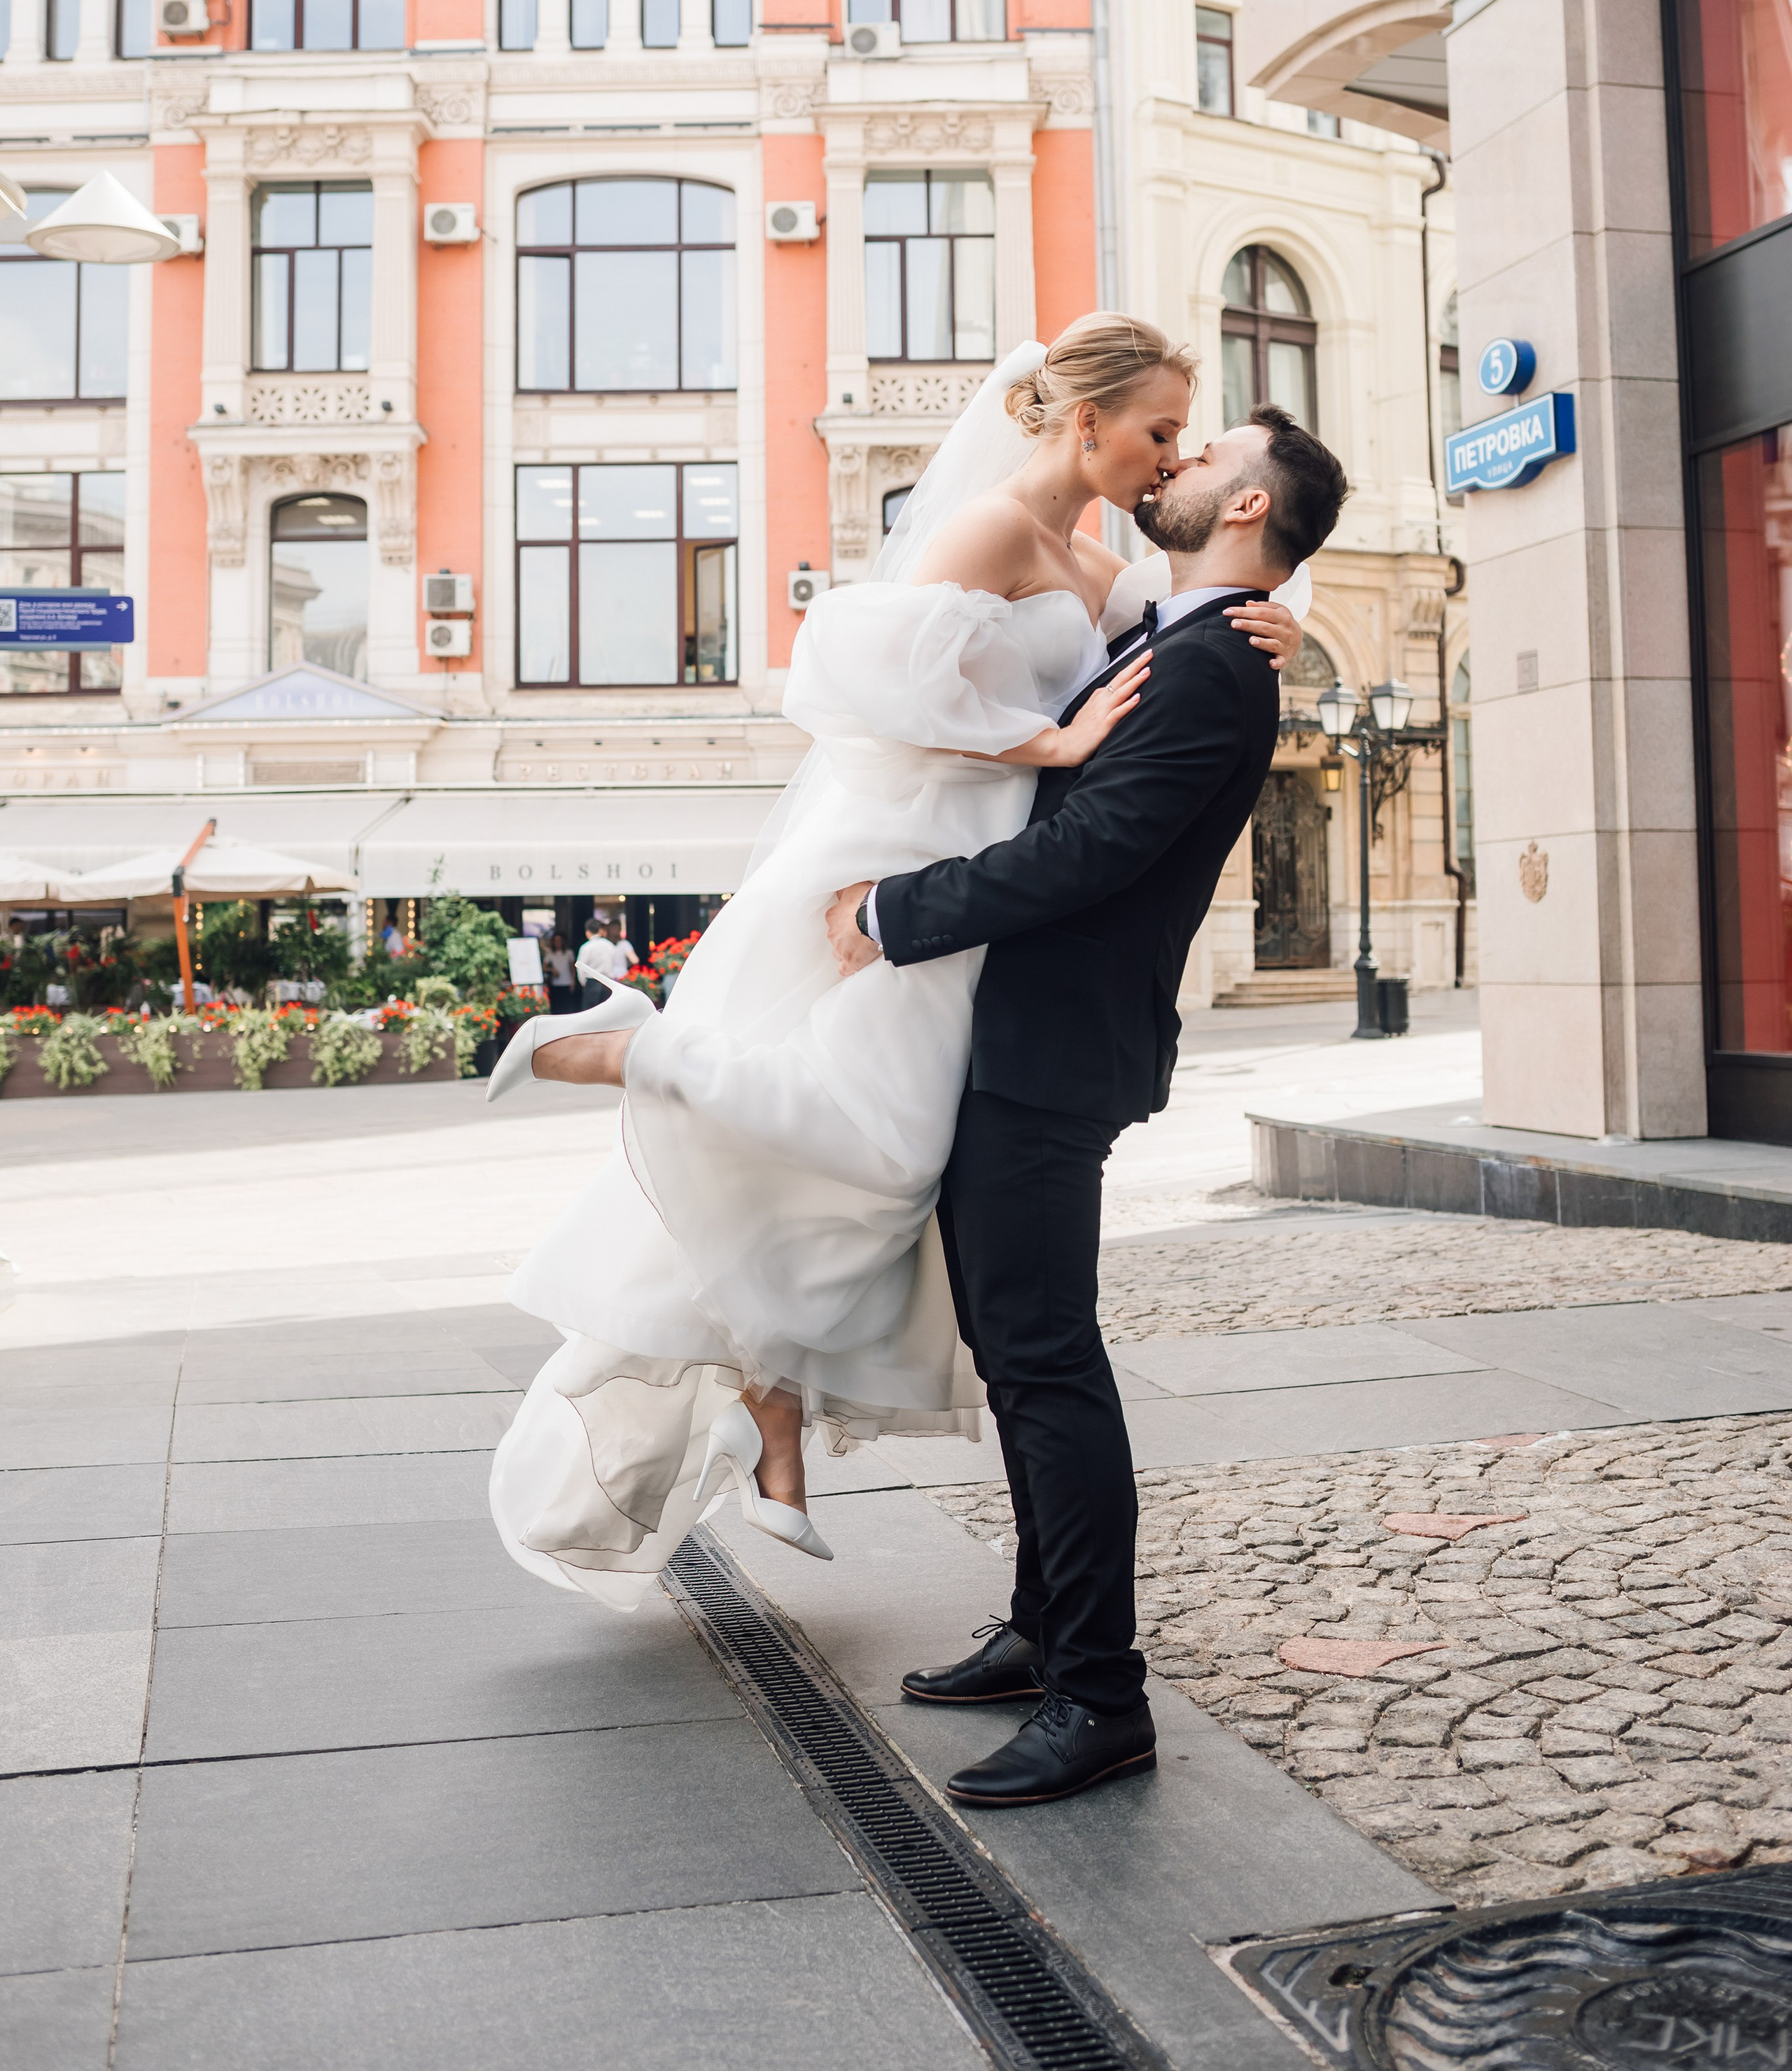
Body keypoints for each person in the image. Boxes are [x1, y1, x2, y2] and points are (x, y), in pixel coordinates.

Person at [482, 318, 1304, 1620]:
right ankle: (651, 1059)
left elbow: (1196, 632)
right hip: (908, 861)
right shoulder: (985, 528)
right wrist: (1045, 743)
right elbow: (862, 681)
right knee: (872, 1145)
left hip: (974, 904)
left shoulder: (1105, 564)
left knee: (885, 1169)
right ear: (1084, 424)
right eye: (1156, 432)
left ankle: (774, 1407)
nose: (1166, 461)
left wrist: (1276, 625)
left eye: (1184, 445)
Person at [826, 401, 1348, 1805]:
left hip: (1053, 1051)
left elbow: (1097, 853)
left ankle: (1099, 1696)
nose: (1174, 466)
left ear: (1245, 507)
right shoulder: (1179, 631)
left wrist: (891, 907)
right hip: (1029, 1039)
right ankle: (1044, 1626)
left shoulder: (1211, 666)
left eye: (1202, 456)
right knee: (1018, 1353)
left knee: (1046, 1362)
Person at [575, 918, 615, 1010]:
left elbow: (580, 967)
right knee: (607, 1011)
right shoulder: (610, 945)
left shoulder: (586, 947)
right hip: (608, 982)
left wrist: (584, 983)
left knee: (590, 1012)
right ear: (600, 930)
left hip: (592, 982)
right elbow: (614, 964)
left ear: (587, 932)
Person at [543, 932, 577, 1014]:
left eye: (559, 941)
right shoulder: (551, 953)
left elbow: (572, 968)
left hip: (567, 982)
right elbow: (544, 967)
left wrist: (573, 982)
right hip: (555, 983)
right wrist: (552, 970)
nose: (557, 943)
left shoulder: (569, 953)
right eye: (556, 941)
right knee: (556, 1006)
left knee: (567, 1006)